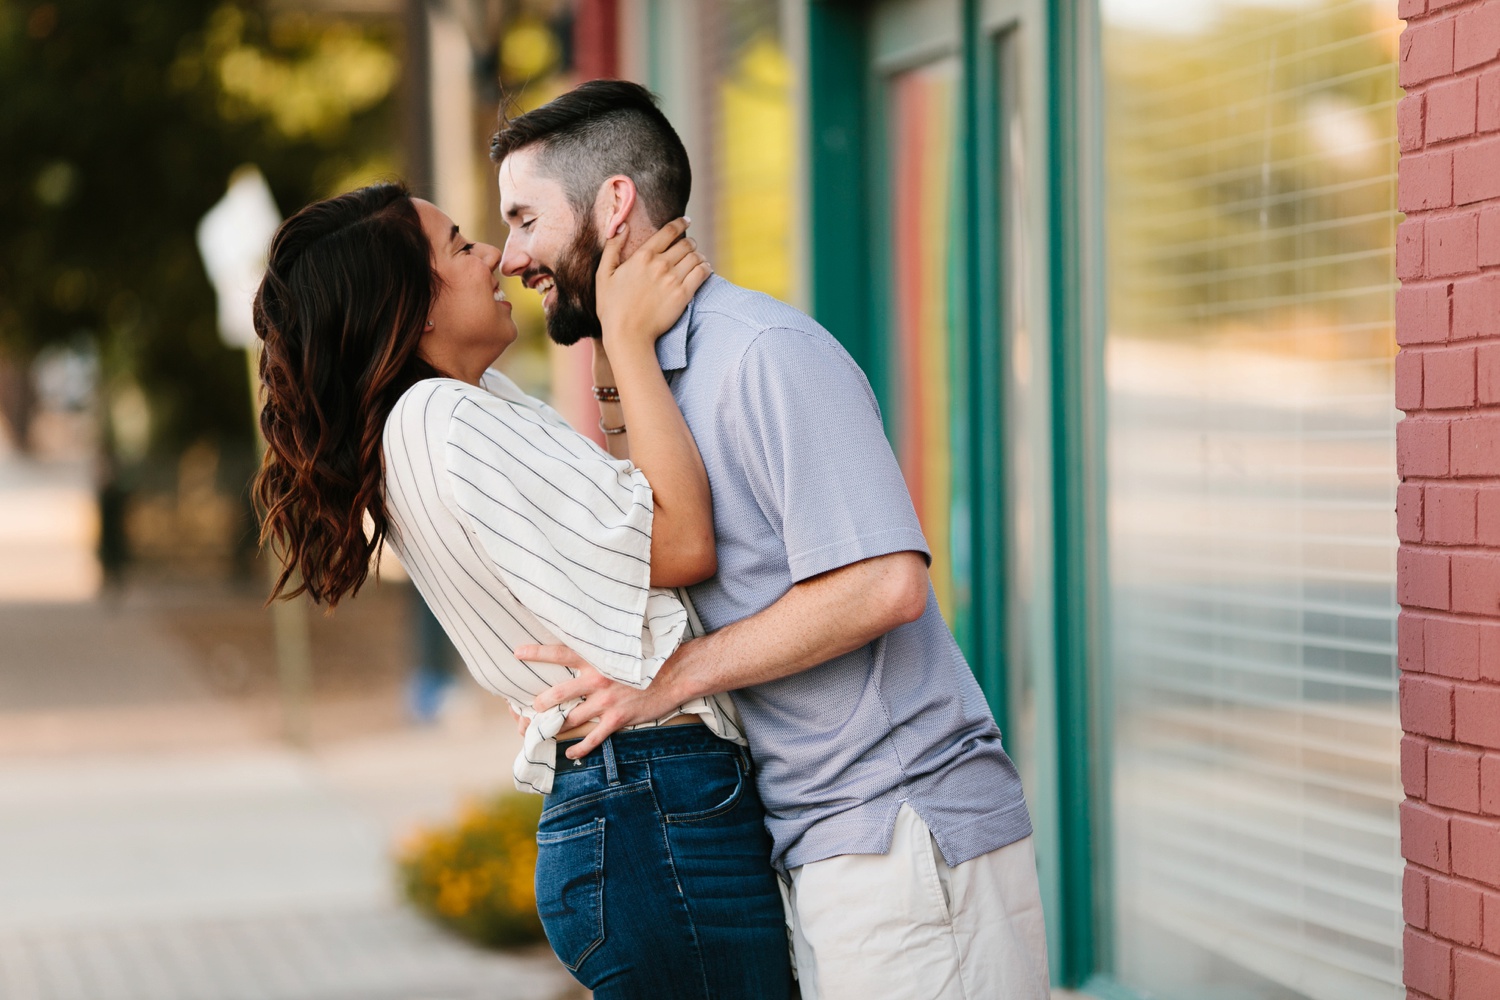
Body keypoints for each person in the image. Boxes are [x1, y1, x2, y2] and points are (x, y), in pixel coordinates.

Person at [493, 80, 1052, 1000]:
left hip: (903, 839)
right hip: (826, 845)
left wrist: (670, 681)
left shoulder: (761, 356)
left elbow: (884, 586)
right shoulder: (658, 376)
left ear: (615, 203)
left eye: (524, 219)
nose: (513, 255)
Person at [250, 182, 794, 999]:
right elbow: (680, 542)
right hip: (652, 800)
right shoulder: (445, 420)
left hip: (636, 802)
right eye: (461, 246)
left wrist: (612, 343)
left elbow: (629, 508)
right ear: (415, 306)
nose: (495, 259)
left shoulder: (446, 414)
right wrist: (634, 339)